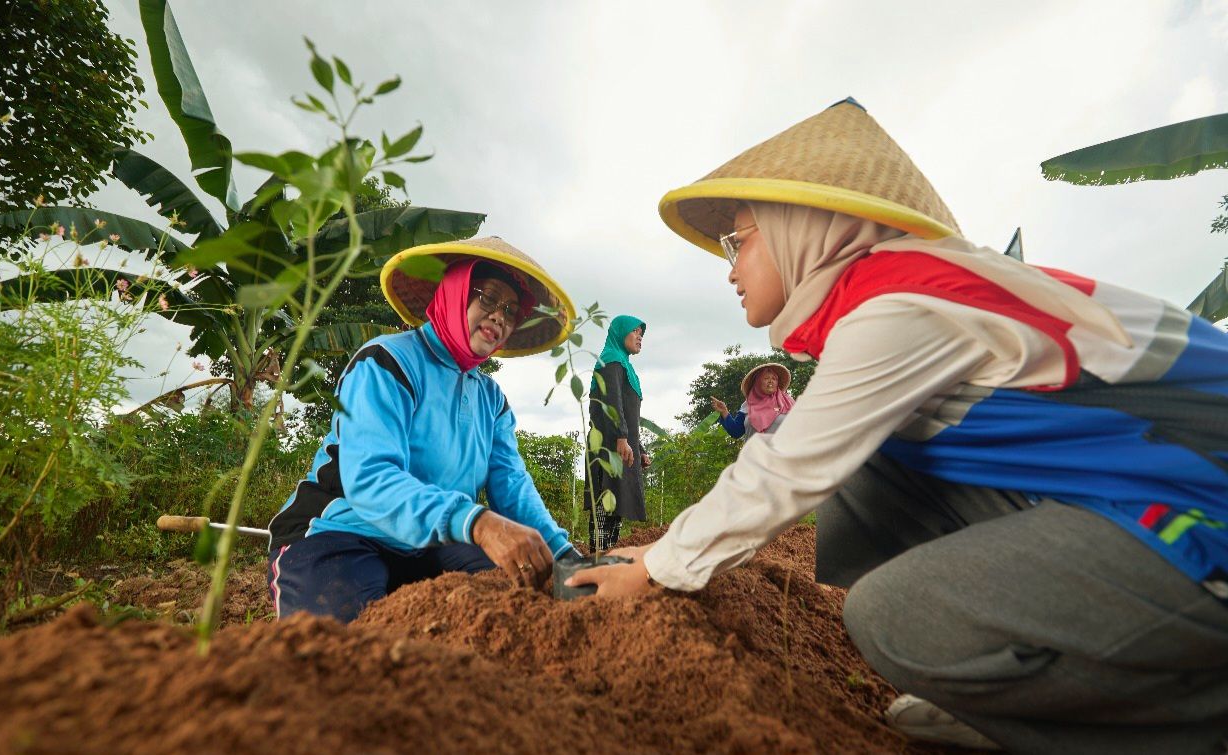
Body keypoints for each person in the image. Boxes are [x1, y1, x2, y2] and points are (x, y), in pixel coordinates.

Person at [566, 98, 1228, 754]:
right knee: (877, 464)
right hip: (1137, 489)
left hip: (1204, 503)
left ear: (801, 223)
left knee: (888, 616)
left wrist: (657, 564)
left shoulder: (901, 302)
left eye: (739, 241)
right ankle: (1007, 687)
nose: (730, 266)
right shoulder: (894, 291)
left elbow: (787, 468)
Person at [267, 236, 579, 623]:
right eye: (488, 298)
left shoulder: (491, 399)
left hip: (433, 543)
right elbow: (370, 478)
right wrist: (477, 522)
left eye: (511, 310)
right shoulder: (387, 362)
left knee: (516, 601)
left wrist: (565, 558)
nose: (499, 316)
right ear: (454, 291)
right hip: (341, 529)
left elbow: (512, 486)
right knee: (340, 645)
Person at [584, 315, 650, 552]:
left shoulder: (624, 365)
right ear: (620, 333)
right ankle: (597, 560)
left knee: (616, 507)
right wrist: (622, 437)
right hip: (608, 446)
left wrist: (639, 447)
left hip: (622, 445)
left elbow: (629, 414)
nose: (640, 336)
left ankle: (607, 558)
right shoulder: (610, 361)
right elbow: (611, 402)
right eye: (634, 331)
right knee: (605, 505)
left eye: (642, 333)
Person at [710, 362, 794, 438]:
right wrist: (724, 412)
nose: (771, 381)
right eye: (766, 378)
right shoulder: (747, 405)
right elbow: (736, 432)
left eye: (774, 379)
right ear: (757, 382)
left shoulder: (788, 403)